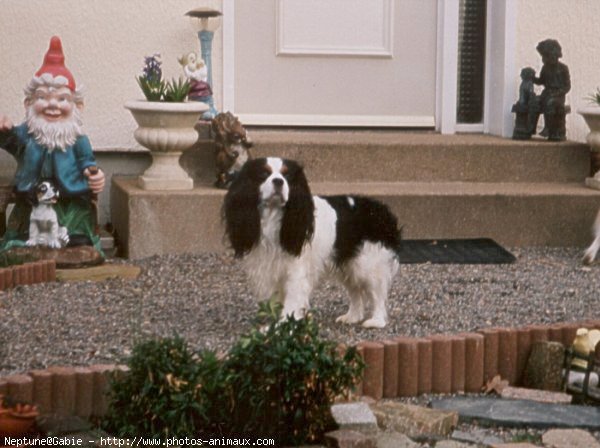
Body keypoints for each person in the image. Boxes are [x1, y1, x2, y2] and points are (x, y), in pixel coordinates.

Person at [0, 36, 105, 252]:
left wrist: (95, 176)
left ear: (78, 106)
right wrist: (4, 128)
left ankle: (72, 240)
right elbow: (9, 140)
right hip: (31, 199)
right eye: (43, 97)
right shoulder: (26, 135)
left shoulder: (78, 141)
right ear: (28, 103)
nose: (52, 105)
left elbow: (88, 165)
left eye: (62, 99)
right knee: (21, 235)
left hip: (69, 198)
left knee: (77, 236)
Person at [534, 39, 571, 141]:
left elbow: (567, 86)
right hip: (546, 93)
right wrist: (533, 79)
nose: (544, 59)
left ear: (554, 56)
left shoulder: (563, 68)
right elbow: (541, 81)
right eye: (543, 56)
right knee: (535, 101)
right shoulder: (545, 68)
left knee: (550, 102)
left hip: (558, 96)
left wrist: (557, 93)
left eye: (546, 56)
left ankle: (548, 128)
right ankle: (530, 129)